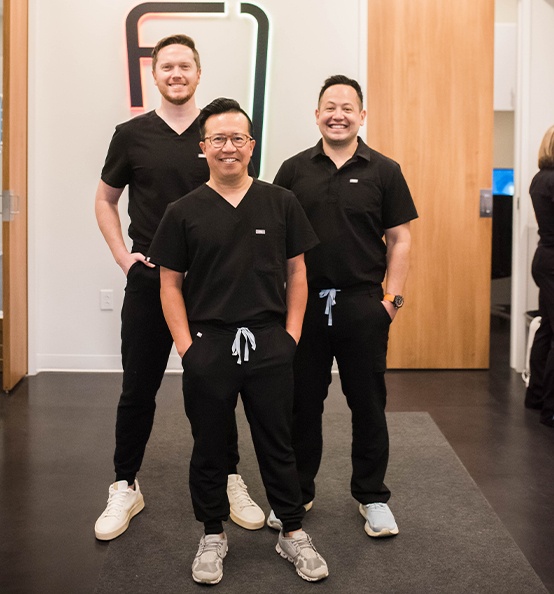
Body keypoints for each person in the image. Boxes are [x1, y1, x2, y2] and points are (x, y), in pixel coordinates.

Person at [147, 98, 329, 585]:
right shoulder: (182, 211)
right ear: (203, 147)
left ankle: (292, 531)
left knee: (279, 444)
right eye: (218, 140)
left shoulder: (280, 202)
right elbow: (169, 283)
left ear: (251, 145)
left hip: (270, 343)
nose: (229, 148)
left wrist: (290, 336)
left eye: (238, 139)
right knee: (209, 446)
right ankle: (212, 534)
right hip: (209, 345)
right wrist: (188, 347)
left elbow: (298, 273)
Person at [93, 35, 263, 541]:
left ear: (198, 72)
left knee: (215, 388)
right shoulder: (131, 134)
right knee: (137, 388)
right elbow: (105, 200)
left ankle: (229, 477)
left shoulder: (219, 133)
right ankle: (125, 483)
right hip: (151, 280)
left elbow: (244, 196)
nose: (175, 73)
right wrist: (125, 259)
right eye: (166, 66)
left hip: (212, 286)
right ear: (154, 74)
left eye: (184, 65)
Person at [269, 75, 418, 538]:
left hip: (362, 305)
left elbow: (400, 238)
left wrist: (390, 300)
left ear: (362, 115)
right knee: (301, 405)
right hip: (304, 306)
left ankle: (372, 497)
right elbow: (275, 240)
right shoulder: (293, 171)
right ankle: (297, 492)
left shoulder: (384, 171)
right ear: (316, 115)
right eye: (329, 106)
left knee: (368, 405)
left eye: (347, 107)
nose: (338, 114)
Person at [525, 125, 554, 428]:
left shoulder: (539, 179)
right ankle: (551, 408)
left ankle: (535, 396)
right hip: (552, 261)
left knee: (547, 328)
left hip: (544, 258)